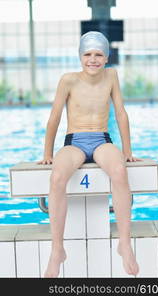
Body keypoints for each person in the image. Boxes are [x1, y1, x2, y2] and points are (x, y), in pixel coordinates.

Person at [38, 31, 140, 277]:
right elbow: (54, 117)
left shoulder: (112, 76)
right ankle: (57, 249)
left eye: (98, 55)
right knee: (57, 178)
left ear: (106, 58)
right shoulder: (68, 80)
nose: (93, 59)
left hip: (101, 139)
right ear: (80, 57)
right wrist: (47, 153)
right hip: (74, 141)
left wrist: (127, 150)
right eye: (87, 54)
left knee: (119, 171)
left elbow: (121, 113)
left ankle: (124, 243)